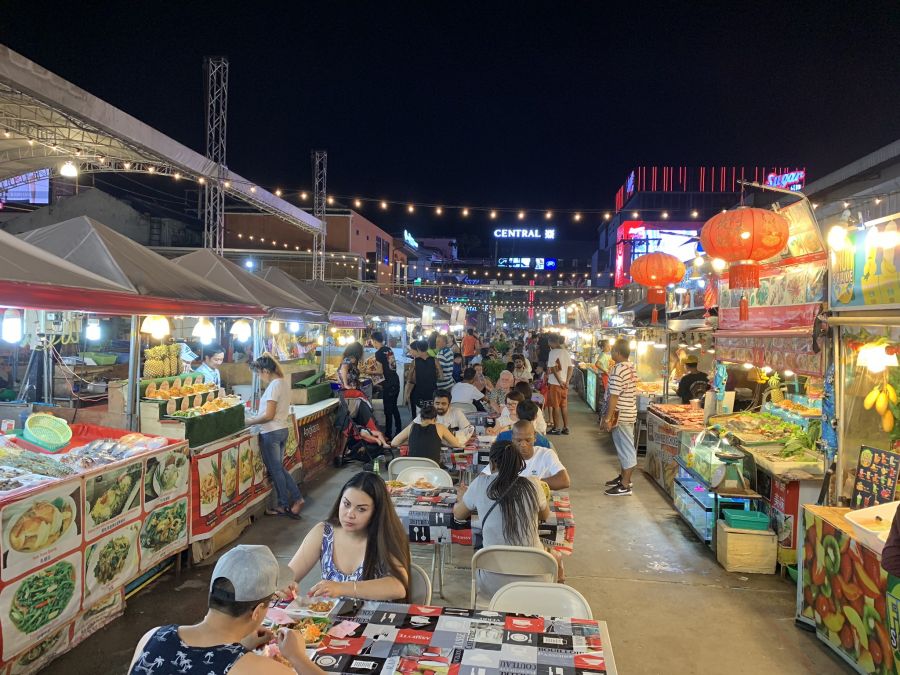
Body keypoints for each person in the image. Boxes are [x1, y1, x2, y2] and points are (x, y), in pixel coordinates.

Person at [128, 545, 324, 675]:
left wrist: (240, 645)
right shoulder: (261, 670)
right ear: (256, 612)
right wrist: (297, 657)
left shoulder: (151, 638)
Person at [289, 472, 410, 601]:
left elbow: (398, 587)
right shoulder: (324, 532)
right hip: (330, 619)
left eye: (361, 509)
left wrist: (341, 588)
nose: (350, 514)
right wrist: (285, 586)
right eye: (346, 504)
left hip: (375, 620)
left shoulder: (386, 536)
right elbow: (288, 577)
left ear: (377, 512)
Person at [455, 440, 550, 598]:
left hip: (493, 582)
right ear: (519, 463)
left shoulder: (480, 484)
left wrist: (461, 498)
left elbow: (458, 515)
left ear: (492, 463)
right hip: (536, 579)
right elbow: (545, 516)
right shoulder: (533, 485)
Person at [248, 355, 304, 519]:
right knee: (278, 468)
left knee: (277, 469)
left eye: (259, 373)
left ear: (266, 371)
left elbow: (269, 415)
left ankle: (291, 501)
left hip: (271, 432)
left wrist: (249, 421)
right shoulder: (283, 383)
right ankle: (287, 502)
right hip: (281, 430)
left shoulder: (274, 386)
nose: (260, 377)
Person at [603, 339, 639, 496]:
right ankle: (623, 477)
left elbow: (614, 396)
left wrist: (608, 418)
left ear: (617, 352)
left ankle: (625, 485)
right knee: (623, 447)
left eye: (612, 351)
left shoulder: (618, 370)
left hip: (621, 414)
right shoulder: (630, 367)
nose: (611, 353)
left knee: (626, 449)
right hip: (628, 412)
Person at [390, 404, 464, 461]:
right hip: (432, 468)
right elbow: (456, 444)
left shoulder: (411, 427)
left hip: (413, 468)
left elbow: (394, 443)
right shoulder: (440, 427)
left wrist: (409, 442)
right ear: (435, 418)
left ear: (421, 418)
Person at [371, 331, 402, 438]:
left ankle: (388, 434)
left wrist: (368, 371)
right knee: (394, 408)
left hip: (389, 384)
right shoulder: (389, 349)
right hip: (395, 381)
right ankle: (399, 430)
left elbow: (379, 371)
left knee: (388, 410)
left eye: (372, 342)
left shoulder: (378, 353)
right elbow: (393, 366)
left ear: (375, 341)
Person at [404, 340, 440, 418]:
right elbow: (440, 376)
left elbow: (410, 380)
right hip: (431, 392)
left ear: (417, 349)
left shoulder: (415, 362)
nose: (410, 352)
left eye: (411, 350)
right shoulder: (434, 360)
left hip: (419, 393)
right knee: (431, 414)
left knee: (418, 415)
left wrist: (407, 393)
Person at [546, 334, 572, 435]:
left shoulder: (552, 352)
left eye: (549, 342)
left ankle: (556, 428)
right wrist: (567, 381)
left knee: (555, 406)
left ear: (553, 342)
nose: (549, 344)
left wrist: (560, 381)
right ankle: (566, 427)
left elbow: (552, 368)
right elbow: (570, 367)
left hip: (555, 384)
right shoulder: (565, 352)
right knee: (564, 406)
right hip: (565, 385)